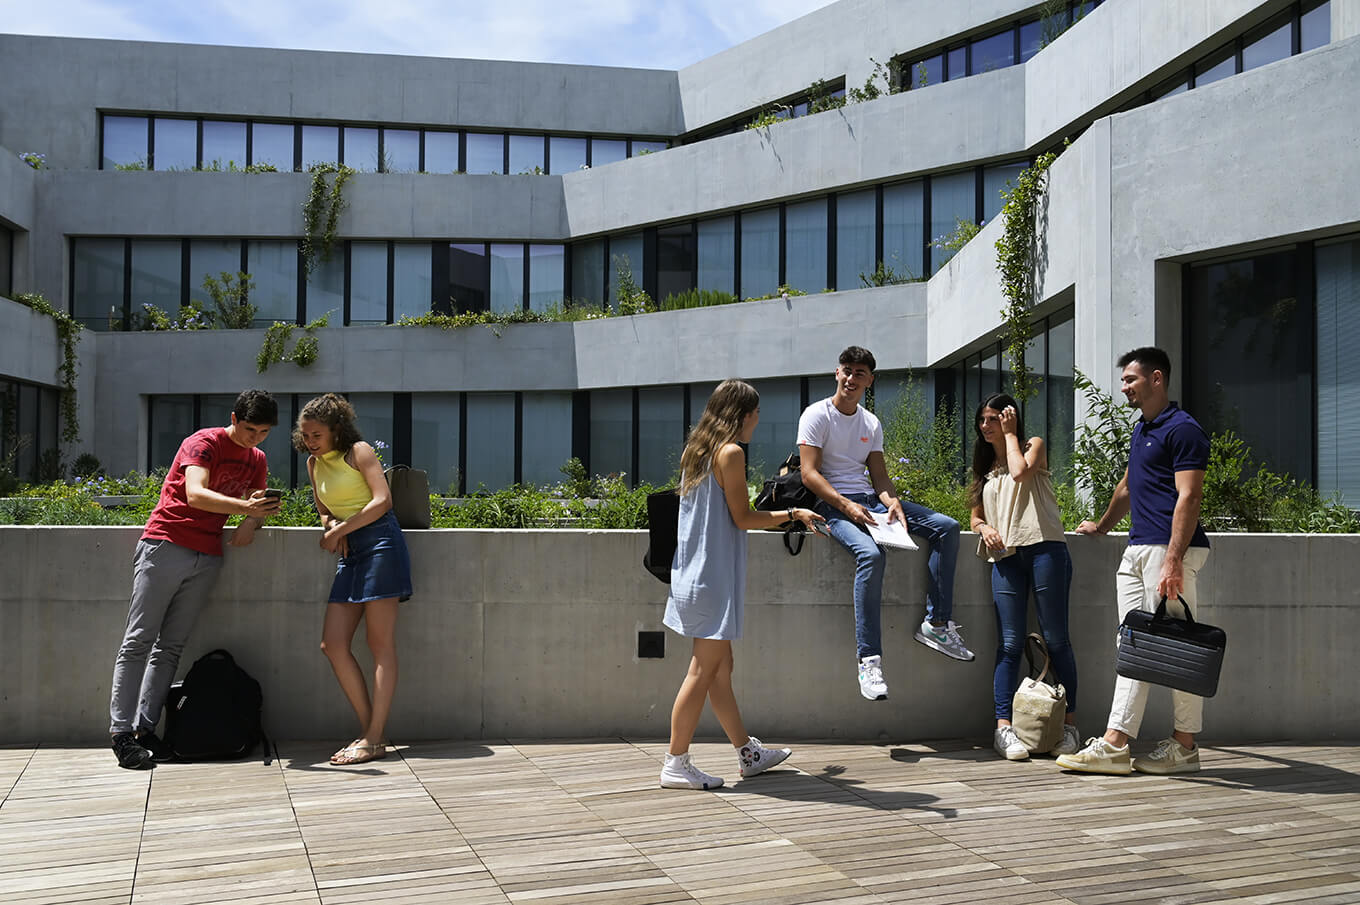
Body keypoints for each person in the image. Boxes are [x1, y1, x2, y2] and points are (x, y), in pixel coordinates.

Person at [660, 379, 824, 790]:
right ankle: (675, 762)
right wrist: (794, 513)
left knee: (720, 669)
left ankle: (747, 753)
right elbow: (744, 518)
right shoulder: (730, 453)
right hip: (712, 579)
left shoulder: (696, 452)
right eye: (754, 414)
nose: (757, 421)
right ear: (742, 415)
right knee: (702, 671)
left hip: (695, 575)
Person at [1058, 346, 1211, 776]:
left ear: (1156, 378)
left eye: (1130, 379)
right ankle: (1126, 744)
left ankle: (1162, 745)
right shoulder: (1143, 429)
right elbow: (1128, 486)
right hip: (1138, 547)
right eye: (1123, 380)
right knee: (1134, 646)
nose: (1123, 387)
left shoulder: (1183, 430)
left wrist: (1173, 561)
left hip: (1169, 551)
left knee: (1180, 650)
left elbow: (1190, 495)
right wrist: (1104, 526)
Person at [108, 389, 280, 769]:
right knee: (138, 641)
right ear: (234, 418)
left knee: (170, 646)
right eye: (251, 429)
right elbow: (196, 494)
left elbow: (255, 503)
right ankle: (121, 734)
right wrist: (244, 508)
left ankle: (144, 730)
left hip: (208, 556)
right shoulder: (203, 442)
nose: (255, 438)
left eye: (264, 431)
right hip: (165, 544)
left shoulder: (258, 459)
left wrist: (254, 519)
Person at [797, 346, 973, 703]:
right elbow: (809, 474)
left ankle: (936, 625)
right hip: (830, 507)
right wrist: (846, 506)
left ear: (870, 380)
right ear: (837, 372)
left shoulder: (870, 423)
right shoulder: (817, 415)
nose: (851, 378)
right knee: (871, 556)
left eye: (859, 373)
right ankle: (869, 660)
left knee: (947, 527)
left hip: (868, 502)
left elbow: (880, 477)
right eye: (846, 370)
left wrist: (891, 502)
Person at [296, 393, 413, 766]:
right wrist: (332, 526)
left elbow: (382, 500)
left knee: (380, 645)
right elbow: (324, 512)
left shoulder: (358, 451)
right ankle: (372, 734)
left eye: (316, 435)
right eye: (306, 435)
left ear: (336, 430)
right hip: (350, 551)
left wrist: (339, 528)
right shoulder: (315, 465)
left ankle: (373, 737)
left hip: (380, 543)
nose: (310, 442)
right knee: (332, 644)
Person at [969, 393, 1080, 760]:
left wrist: (1012, 434)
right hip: (1005, 557)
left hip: (1045, 547)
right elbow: (974, 516)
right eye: (982, 421)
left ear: (1010, 418)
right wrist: (984, 527)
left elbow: (1020, 472)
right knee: (1010, 644)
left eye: (992, 419)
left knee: (1057, 639)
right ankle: (1004, 729)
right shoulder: (984, 469)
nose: (987, 426)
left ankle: (1069, 728)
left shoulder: (1033, 445)